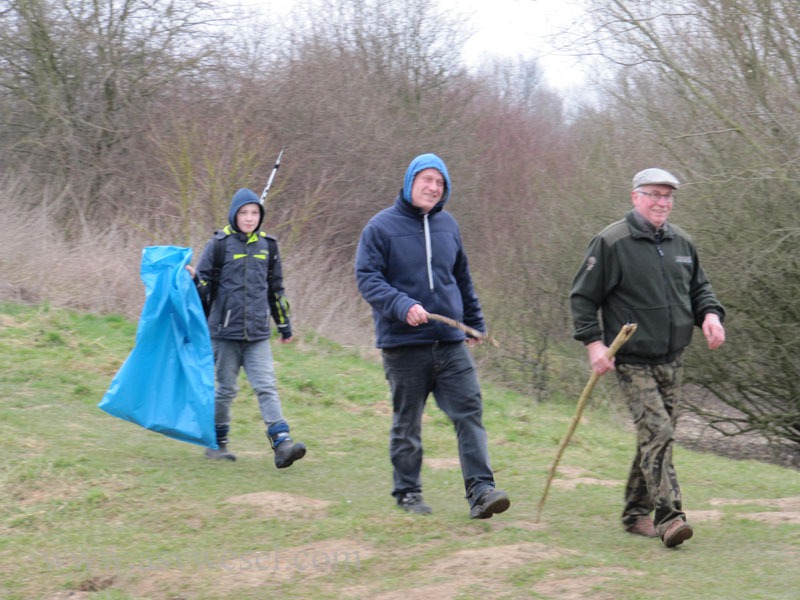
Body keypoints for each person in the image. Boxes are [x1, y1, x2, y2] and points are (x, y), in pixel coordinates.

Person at [569, 168, 726, 548]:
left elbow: (699, 289)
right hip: (632, 359)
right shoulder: (611, 242)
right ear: (635, 196)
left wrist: (710, 315)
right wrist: (594, 345)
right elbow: (583, 298)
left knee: (655, 438)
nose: (661, 202)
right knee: (659, 432)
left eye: (667, 196)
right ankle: (670, 518)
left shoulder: (682, 242)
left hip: (673, 356)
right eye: (654, 194)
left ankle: (634, 512)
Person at [355, 153, 510, 519]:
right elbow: (367, 278)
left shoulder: (448, 226)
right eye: (426, 179)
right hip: (403, 345)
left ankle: (481, 491)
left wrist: (474, 322)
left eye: (440, 183)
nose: (433, 187)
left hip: (450, 343)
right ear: (410, 182)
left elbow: (461, 278)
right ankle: (408, 492)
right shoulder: (380, 227)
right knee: (407, 421)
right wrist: (401, 304)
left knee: (469, 411)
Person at [186, 188, 306, 469]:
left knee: (266, 387)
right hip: (224, 333)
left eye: (254, 213)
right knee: (226, 390)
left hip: (257, 334)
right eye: (244, 213)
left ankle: (282, 445)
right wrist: (193, 281)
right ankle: (217, 443)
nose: (250, 218)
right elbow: (204, 288)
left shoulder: (269, 246)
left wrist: (284, 326)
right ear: (234, 215)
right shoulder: (218, 245)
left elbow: (276, 290)